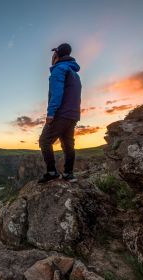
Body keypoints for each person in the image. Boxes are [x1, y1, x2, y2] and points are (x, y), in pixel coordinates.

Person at [38, 43, 81, 183]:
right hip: (72, 115)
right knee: (68, 143)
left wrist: (51, 113)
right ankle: (68, 173)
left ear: (56, 55)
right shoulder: (74, 73)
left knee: (44, 141)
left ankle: (52, 172)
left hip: (61, 114)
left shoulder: (59, 69)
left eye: (53, 55)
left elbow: (57, 93)